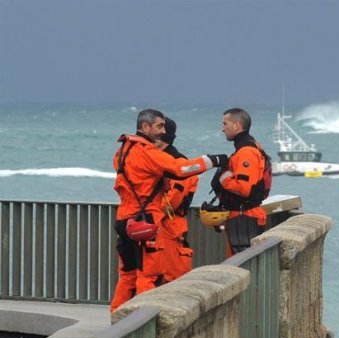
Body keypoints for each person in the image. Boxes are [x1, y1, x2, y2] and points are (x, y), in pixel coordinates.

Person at [111, 108, 226, 312]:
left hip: (124, 220)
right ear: (145, 127)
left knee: (128, 274)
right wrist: (212, 160)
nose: (163, 131)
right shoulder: (148, 153)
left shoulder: (123, 150)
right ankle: (142, 321)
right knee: (149, 276)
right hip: (145, 223)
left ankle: (117, 319)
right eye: (159, 126)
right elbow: (181, 170)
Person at [211, 108, 271, 257]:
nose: (222, 129)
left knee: (242, 264)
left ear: (237, 126)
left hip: (245, 217)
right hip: (242, 215)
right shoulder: (249, 146)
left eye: (225, 124)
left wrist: (223, 178)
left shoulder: (246, 151)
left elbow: (244, 189)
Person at [154, 117, 198, 283]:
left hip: (170, 226)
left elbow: (173, 201)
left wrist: (151, 214)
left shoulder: (180, 163)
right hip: (159, 224)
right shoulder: (159, 161)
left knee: (172, 275)